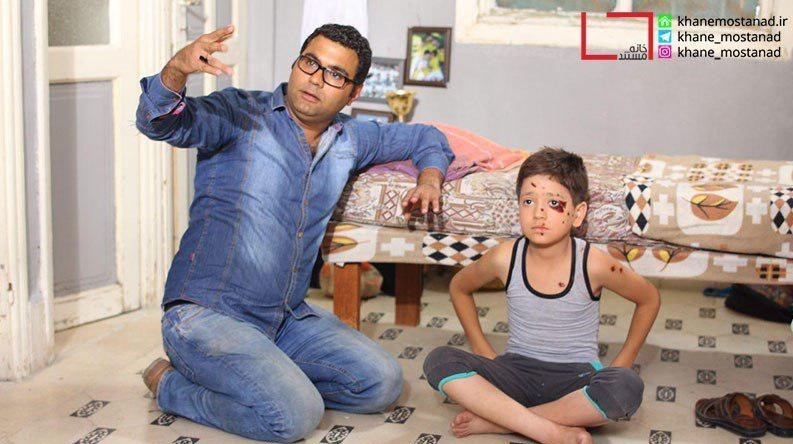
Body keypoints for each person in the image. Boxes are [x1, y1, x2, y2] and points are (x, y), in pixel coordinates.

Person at [135, 23, 454, 443]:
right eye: (310, 63)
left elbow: (427, 136)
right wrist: (177, 69)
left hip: (284, 318)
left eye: (335, 74)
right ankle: (170, 384)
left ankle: (269, 378)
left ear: (353, 93)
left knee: (381, 384)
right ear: (296, 63)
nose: (316, 79)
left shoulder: (351, 139)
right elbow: (158, 122)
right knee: (295, 416)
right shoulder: (239, 114)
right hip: (206, 315)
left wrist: (430, 178)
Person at [422, 148, 660, 443]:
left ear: (578, 214)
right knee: (438, 360)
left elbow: (649, 298)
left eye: (554, 203)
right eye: (529, 201)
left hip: (576, 382)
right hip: (514, 374)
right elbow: (459, 287)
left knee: (626, 386)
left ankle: (501, 422)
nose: (538, 213)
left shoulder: (593, 263)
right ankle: (549, 430)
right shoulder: (505, 257)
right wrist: (484, 350)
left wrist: (622, 363)